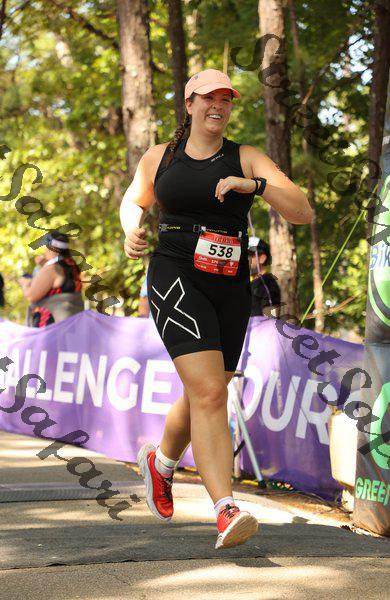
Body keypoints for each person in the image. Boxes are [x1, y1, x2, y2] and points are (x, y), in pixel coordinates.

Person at [120, 68, 312, 549]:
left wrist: (257, 187)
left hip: (230, 283)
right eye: (208, 98)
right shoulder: (161, 157)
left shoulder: (246, 157)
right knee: (209, 392)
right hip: (175, 274)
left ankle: (161, 462)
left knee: (207, 389)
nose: (218, 106)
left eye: (226, 99)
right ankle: (226, 509)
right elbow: (133, 201)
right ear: (189, 104)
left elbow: (302, 210)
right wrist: (131, 229)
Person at [18, 232, 84, 327]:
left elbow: (31, 296)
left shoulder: (52, 268)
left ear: (52, 249)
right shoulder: (71, 265)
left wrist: (25, 284)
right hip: (72, 323)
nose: (44, 251)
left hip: (51, 326)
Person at [248, 236, 282, 318]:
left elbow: (271, 320)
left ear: (262, 258)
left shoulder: (267, 284)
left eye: (249, 255)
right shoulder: (252, 283)